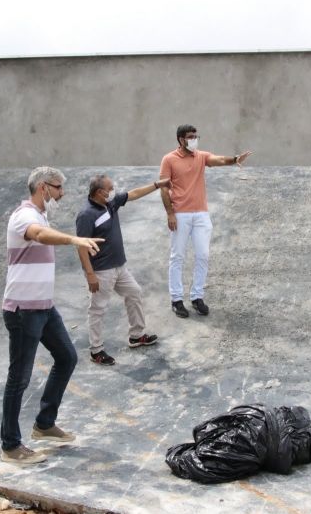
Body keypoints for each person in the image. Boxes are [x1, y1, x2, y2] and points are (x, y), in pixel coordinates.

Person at [0, 166, 103, 465]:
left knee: (67, 357)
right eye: (58, 188)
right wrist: (74, 240)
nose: (62, 194)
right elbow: (39, 235)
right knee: (18, 378)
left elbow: (43, 230)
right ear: (44, 187)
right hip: (23, 310)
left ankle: (44, 424)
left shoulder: (41, 214)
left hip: (44, 307)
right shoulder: (25, 215)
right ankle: (10, 446)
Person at [75, 174, 171, 365]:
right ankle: (96, 350)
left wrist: (156, 185)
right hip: (101, 270)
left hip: (119, 266)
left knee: (134, 292)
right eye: (110, 188)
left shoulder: (110, 204)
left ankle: (136, 335)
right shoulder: (86, 215)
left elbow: (134, 194)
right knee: (98, 309)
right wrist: (90, 274)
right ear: (99, 192)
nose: (113, 190)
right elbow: (81, 246)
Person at [159, 124, 251, 318]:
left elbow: (217, 159)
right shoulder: (169, 160)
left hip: (201, 214)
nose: (194, 139)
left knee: (203, 255)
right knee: (177, 257)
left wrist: (234, 159)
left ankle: (197, 297)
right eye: (190, 137)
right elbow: (164, 188)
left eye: (196, 136)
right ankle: (176, 299)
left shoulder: (200, 156)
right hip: (181, 214)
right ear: (181, 139)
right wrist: (170, 213)